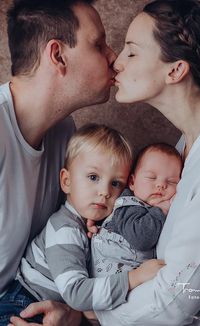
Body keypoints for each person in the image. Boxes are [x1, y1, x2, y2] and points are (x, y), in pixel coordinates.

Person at [92, 0, 200, 325]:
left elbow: (180, 297)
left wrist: (92, 310)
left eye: (131, 51)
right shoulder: (189, 142)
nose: (117, 61)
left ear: (175, 70)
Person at [0, 0, 118, 325]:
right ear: (57, 55)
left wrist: (71, 312)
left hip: (25, 296)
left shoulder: (64, 131)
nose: (113, 57)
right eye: (98, 44)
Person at [0, 124, 164, 325]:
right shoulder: (64, 229)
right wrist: (133, 279)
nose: (105, 191)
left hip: (55, 307)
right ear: (66, 181)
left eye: (115, 183)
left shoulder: (95, 225)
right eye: (93, 177)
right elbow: (76, 293)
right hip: (24, 304)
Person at [91, 143, 182, 278]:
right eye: (152, 177)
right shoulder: (128, 204)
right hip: (107, 279)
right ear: (132, 182)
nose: (161, 185)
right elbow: (141, 238)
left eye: (172, 182)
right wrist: (162, 210)